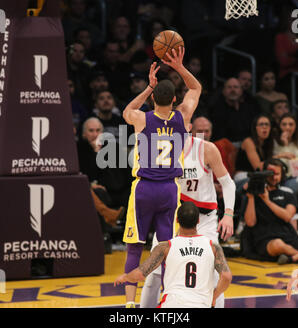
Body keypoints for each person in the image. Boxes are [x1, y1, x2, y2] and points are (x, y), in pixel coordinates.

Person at [122, 47, 202, 307]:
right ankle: (169, 298)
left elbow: (126, 110)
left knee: (135, 246)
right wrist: (179, 66)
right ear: (175, 98)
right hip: (169, 190)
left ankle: (130, 304)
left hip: (144, 189)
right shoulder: (183, 117)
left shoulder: (141, 119)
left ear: (153, 98)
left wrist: (148, 87)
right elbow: (196, 88)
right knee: (168, 247)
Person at [139, 127, 236, 308]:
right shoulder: (158, 149)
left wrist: (228, 215)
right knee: (153, 272)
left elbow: (228, 183)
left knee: (215, 272)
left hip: (203, 219)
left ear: (189, 126)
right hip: (172, 217)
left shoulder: (206, 149)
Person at [115, 202, 232, 308]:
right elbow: (226, 276)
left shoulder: (165, 247)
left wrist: (126, 277)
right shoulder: (213, 246)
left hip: (173, 304)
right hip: (201, 304)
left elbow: (140, 274)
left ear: (176, 220)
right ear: (198, 221)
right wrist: (214, 296)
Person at [243, 158, 298, 265]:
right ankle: (296, 256)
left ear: (282, 174)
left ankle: (292, 257)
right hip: (264, 237)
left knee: (283, 244)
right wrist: (251, 197)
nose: (274, 177)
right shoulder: (253, 195)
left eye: (277, 174)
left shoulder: (287, 193)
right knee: (278, 245)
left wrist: (267, 201)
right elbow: (250, 222)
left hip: (287, 235)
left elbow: (287, 216)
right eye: (270, 174)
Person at [209, 77, 260, 146]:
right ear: (224, 91)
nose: (232, 90)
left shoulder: (250, 107)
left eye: (236, 87)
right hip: (225, 145)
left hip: (247, 144)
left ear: (241, 91)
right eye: (229, 87)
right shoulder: (216, 109)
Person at [234, 114, 275, 191]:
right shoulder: (248, 142)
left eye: (267, 124)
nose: (264, 127)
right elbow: (258, 167)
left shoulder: (268, 144)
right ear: (255, 128)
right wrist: (277, 158)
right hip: (244, 175)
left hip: (260, 176)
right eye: (261, 124)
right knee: (264, 184)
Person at [273, 113, 298, 198]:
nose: (287, 127)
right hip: (284, 179)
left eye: (291, 124)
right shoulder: (274, 142)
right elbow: (282, 162)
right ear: (279, 126)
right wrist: (285, 145)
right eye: (284, 124)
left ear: (295, 127)